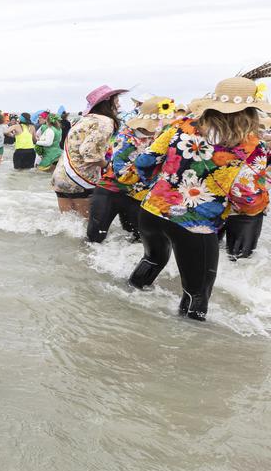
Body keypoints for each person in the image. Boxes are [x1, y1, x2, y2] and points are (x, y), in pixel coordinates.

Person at [128, 76, 268, 319]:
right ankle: (189, 345)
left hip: (152, 211)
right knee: (197, 293)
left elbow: (144, 162)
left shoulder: (181, 125)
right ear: (251, 111)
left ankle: (124, 308)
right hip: (195, 225)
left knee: (152, 261)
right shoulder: (251, 146)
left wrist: (166, 185)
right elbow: (249, 198)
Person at [86, 96, 175, 243]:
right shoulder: (126, 137)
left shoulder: (161, 138)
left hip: (137, 197)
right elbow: (122, 174)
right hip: (111, 192)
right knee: (95, 238)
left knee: (138, 241)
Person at [52, 85, 122, 217]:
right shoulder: (105, 122)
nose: (119, 105)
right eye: (117, 101)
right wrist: (108, 166)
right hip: (81, 178)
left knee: (67, 225)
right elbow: (90, 154)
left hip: (61, 175)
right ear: (108, 102)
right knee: (86, 227)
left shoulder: (84, 119)